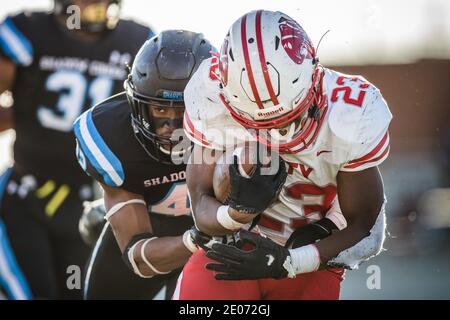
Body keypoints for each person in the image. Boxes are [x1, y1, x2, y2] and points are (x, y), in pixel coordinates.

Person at [174, 9, 392, 300]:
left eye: (290, 119)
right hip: (232, 250)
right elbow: (201, 203)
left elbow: (367, 230)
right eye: (262, 124)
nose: (279, 134)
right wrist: (236, 213)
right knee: (250, 156)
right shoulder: (210, 95)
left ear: (313, 77)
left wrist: (289, 262)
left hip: (309, 258)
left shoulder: (350, 113)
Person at [0, 0, 152, 299]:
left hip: (91, 205)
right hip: (25, 199)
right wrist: (26, 114)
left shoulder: (137, 43)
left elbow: (152, 121)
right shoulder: (29, 32)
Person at [73, 30, 215, 299]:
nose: (171, 127)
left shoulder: (240, 128)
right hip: (155, 227)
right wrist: (197, 239)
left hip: (228, 242)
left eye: (184, 109)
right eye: (160, 109)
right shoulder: (112, 138)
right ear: (136, 104)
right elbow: (139, 258)